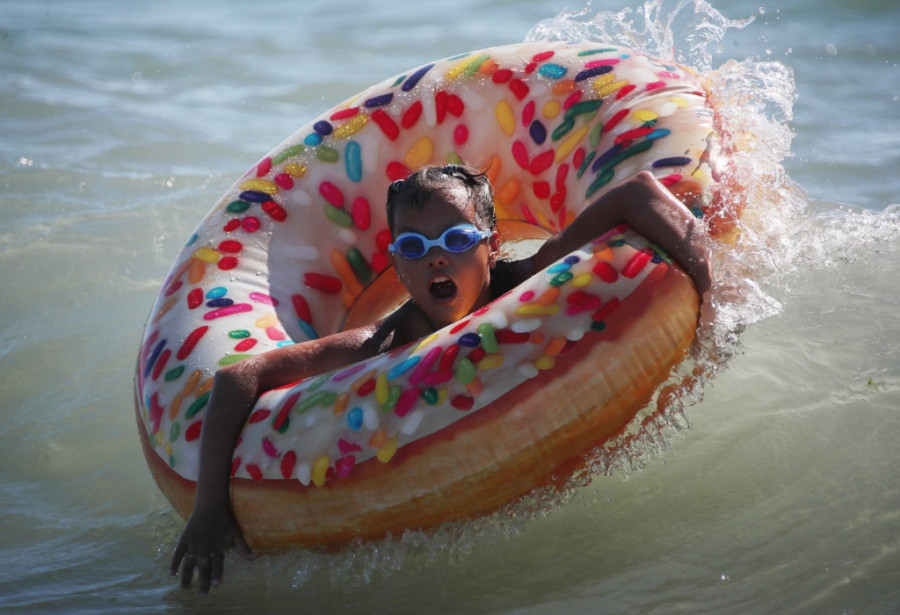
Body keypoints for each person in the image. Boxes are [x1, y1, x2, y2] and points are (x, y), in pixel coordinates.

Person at [170, 163, 713, 594]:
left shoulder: (532, 279)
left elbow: (637, 192)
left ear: (492, 245)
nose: (435, 259)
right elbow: (241, 375)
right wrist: (209, 507)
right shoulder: (381, 344)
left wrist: (710, 292)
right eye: (414, 248)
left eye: (454, 239)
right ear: (398, 268)